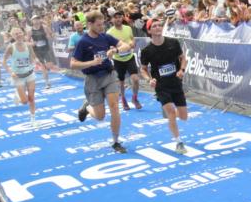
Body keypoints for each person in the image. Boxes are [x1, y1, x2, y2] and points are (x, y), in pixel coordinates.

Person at [70, 10, 134, 154]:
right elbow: (73, 64)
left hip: (109, 75)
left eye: (103, 24)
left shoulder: (105, 37)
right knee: (100, 116)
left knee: (114, 107)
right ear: (90, 24)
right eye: (98, 25)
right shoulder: (83, 42)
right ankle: (87, 108)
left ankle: (116, 141)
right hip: (92, 79)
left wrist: (115, 50)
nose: (101, 27)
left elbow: (126, 46)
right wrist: (91, 63)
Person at [139, 18, 188, 154]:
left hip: (176, 83)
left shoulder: (173, 42)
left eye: (160, 25)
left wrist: (181, 70)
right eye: (154, 26)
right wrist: (149, 80)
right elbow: (143, 69)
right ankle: (179, 142)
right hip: (161, 86)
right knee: (171, 112)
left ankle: (167, 113)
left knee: (183, 116)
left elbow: (183, 58)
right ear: (149, 31)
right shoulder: (147, 51)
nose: (158, 27)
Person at [2, 27, 39, 126]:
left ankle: (33, 119)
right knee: (24, 102)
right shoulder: (10, 47)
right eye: (16, 34)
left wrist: (36, 62)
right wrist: (10, 72)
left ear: (23, 34)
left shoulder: (28, 45)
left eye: (20, 33)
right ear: (13, 36)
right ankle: (17, 94)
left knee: (31, 98)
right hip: (18, 76)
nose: (18, 35)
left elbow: (33, 57)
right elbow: (4, 61)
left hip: (29, 74)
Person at [107, 11, 142, 110]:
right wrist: (114, 49)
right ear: (112, 19)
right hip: (118, 60)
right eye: (116, 18)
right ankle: (123, 99)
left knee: (136, 79)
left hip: (129, 57)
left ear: (122, 18)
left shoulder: (128, 28)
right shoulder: (109, 32)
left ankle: (134, 98)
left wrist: (132, 43)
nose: (118, 19)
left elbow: (132, 39)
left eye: (120, 17)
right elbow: (109, 47)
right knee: (121, 82)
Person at [29, 15, 56, 89]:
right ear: (32, 21)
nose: (36, 21)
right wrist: (32, 43)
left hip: (46, 49)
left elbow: (52, 34)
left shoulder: (44, 27)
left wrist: (49, 36)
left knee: (49, 65)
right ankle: (47, 83)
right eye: (35, 19)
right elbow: (27, 42)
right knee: (43, 67)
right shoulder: (30, 30)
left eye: (38, 19)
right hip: (37, 50)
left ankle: (46, 69)